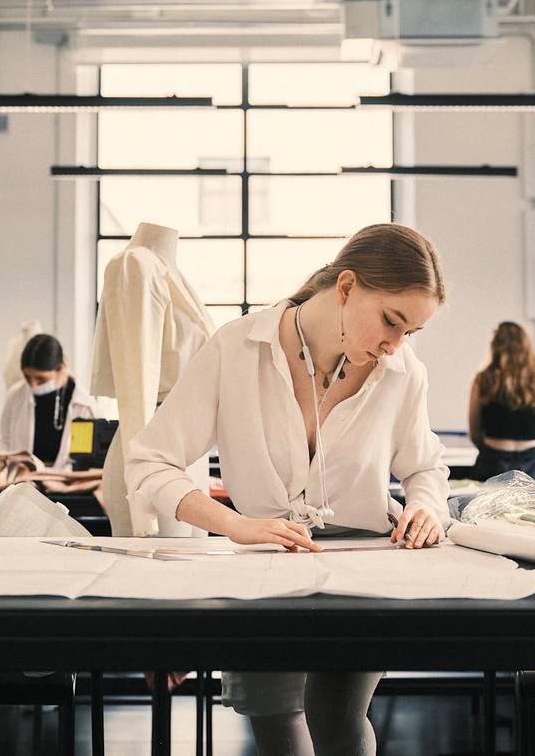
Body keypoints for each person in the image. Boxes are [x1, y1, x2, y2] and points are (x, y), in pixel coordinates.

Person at [127, 223, 451, 756]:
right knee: (276, 725)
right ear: (346, 287)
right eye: (392, 322)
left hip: (364, 568)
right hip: (263, 565)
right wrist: (232, 524)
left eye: (410, 333)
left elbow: (426, 468)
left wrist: (425, 507)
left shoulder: (401, 371)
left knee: (337, 716)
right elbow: (150, 461)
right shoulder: (236, 347)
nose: (395, 346)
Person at [467, 321, 535, 482]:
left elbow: (474, 431)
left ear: (494, 346)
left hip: (492, 460)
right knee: (532, 507)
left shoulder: (483, 380)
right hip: (533, 462)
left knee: (488, 507)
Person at [0, 334, 97, 469]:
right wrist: (4, 462)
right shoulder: (15, 396)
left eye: (41, 379)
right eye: (27, 377)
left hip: (66, 482)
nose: (33, 385)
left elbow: (85, 458)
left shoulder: (84, 404)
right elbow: (5, 440)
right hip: (23, 481)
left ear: (61, 368)